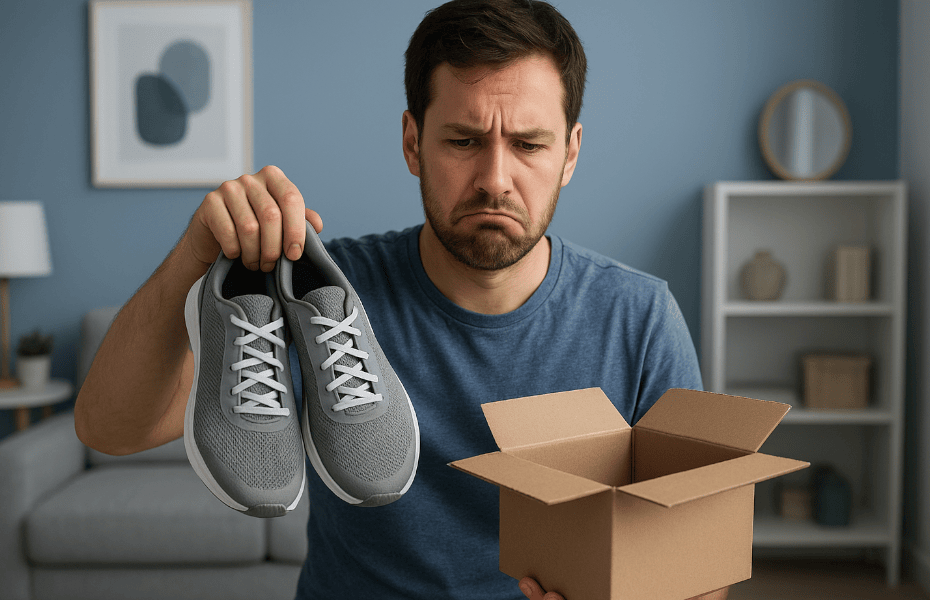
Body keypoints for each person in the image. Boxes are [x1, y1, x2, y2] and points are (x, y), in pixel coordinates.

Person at [75, 1, 722, 598]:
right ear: (413, 142)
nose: (496, 178)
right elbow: (111, 429)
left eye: (528, 144)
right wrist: (194, 253)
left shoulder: (641, 313)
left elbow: (703, 563)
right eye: (464, 141)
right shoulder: (324, 292)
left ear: (570, 152)